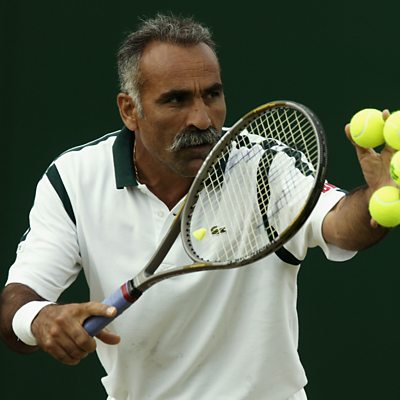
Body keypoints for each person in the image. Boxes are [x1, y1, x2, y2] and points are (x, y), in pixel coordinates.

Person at [0, 13, 395, 400]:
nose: (202, 119)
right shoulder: (73, 180)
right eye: (176, 100)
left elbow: (340, 225)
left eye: (212, 95)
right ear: (129, 110)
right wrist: (39, 319)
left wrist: (376, 201)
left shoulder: (267, 166)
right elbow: (17, 299)